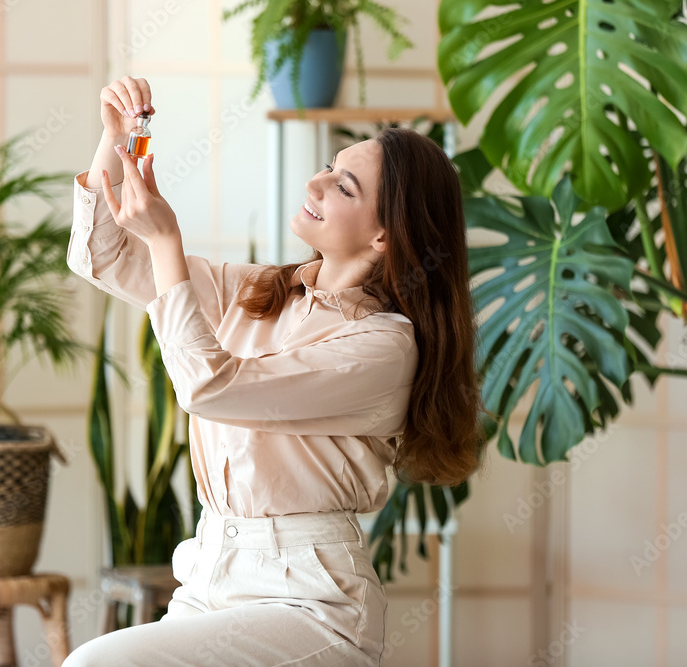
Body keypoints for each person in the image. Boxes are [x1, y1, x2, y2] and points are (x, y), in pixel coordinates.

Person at [63, 75, 484, 666]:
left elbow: (209, 387)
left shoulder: (384, 346)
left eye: (343, 185)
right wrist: (116, 141)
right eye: (330, 167)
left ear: (386, 234)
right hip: (210, 578)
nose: (316, 181)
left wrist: (167, 243)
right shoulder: (263, 291)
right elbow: (99, 256)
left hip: (308, 602)